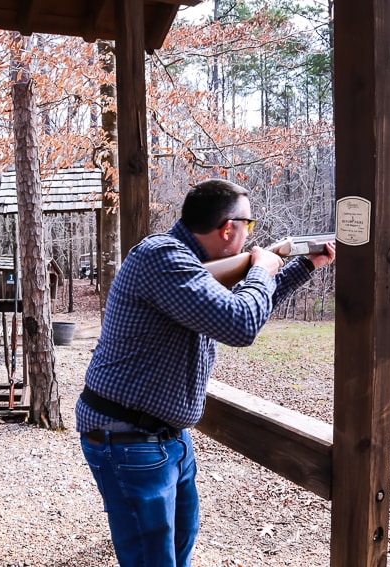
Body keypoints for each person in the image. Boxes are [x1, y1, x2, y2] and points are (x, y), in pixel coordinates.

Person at [75, 179, 336, 567]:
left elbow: (245, 309)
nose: (250, 234)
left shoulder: (188, 266)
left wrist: (303, 265)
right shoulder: (162, 256)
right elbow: (240, 324)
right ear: (228, 228)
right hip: (129, 440)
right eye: (248, 225)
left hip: (164, 440)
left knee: (177, 551)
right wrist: (262, 267)